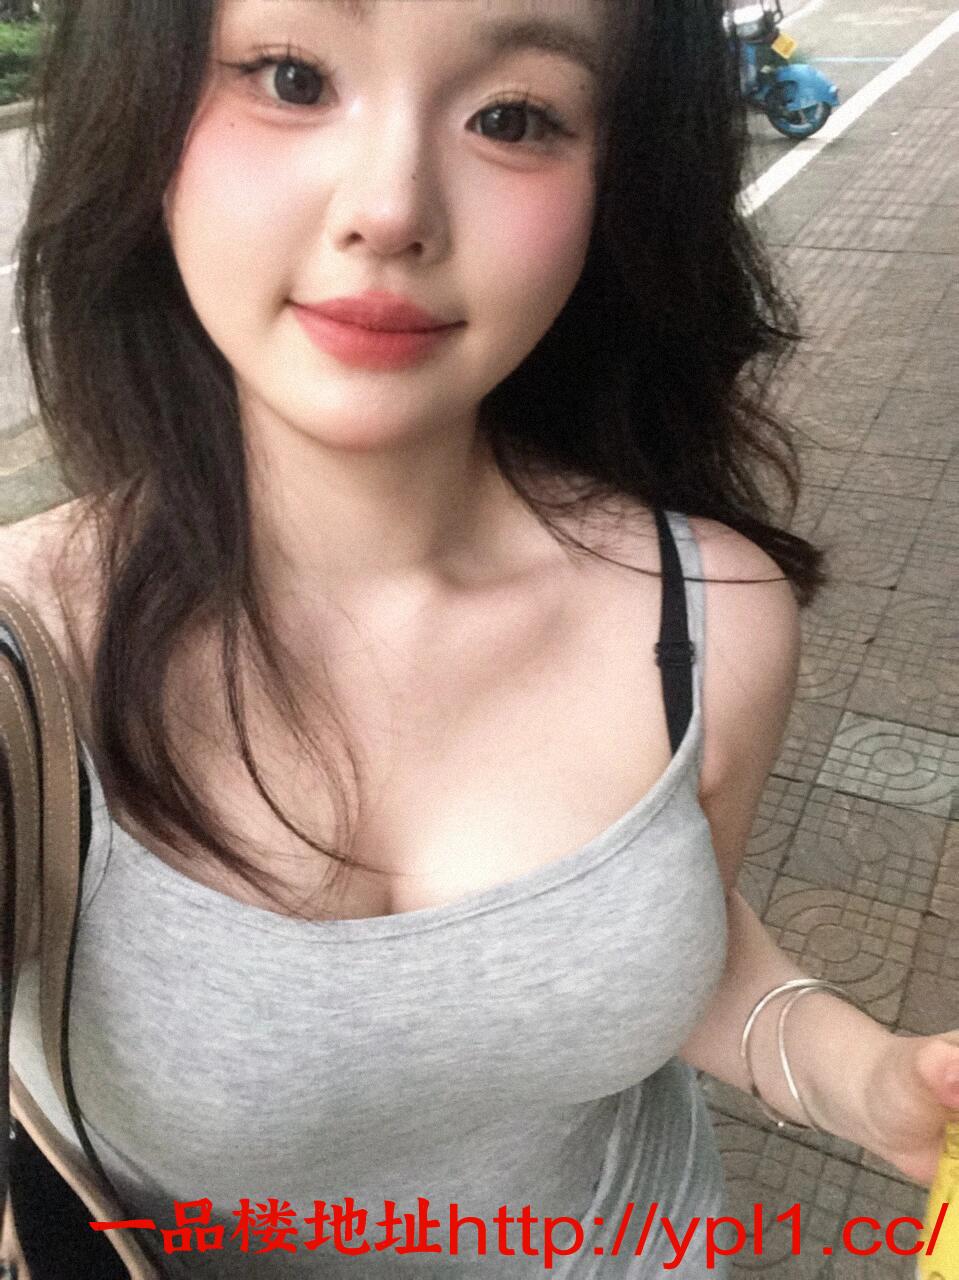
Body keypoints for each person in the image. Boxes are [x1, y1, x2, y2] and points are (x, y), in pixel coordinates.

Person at [1, 0, 957, 1275]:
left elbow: (672, 948)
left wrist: (864, 1078)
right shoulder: (27, 658)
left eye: (512, 116)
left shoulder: (703, 614)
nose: (389, 209)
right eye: (290, 77)